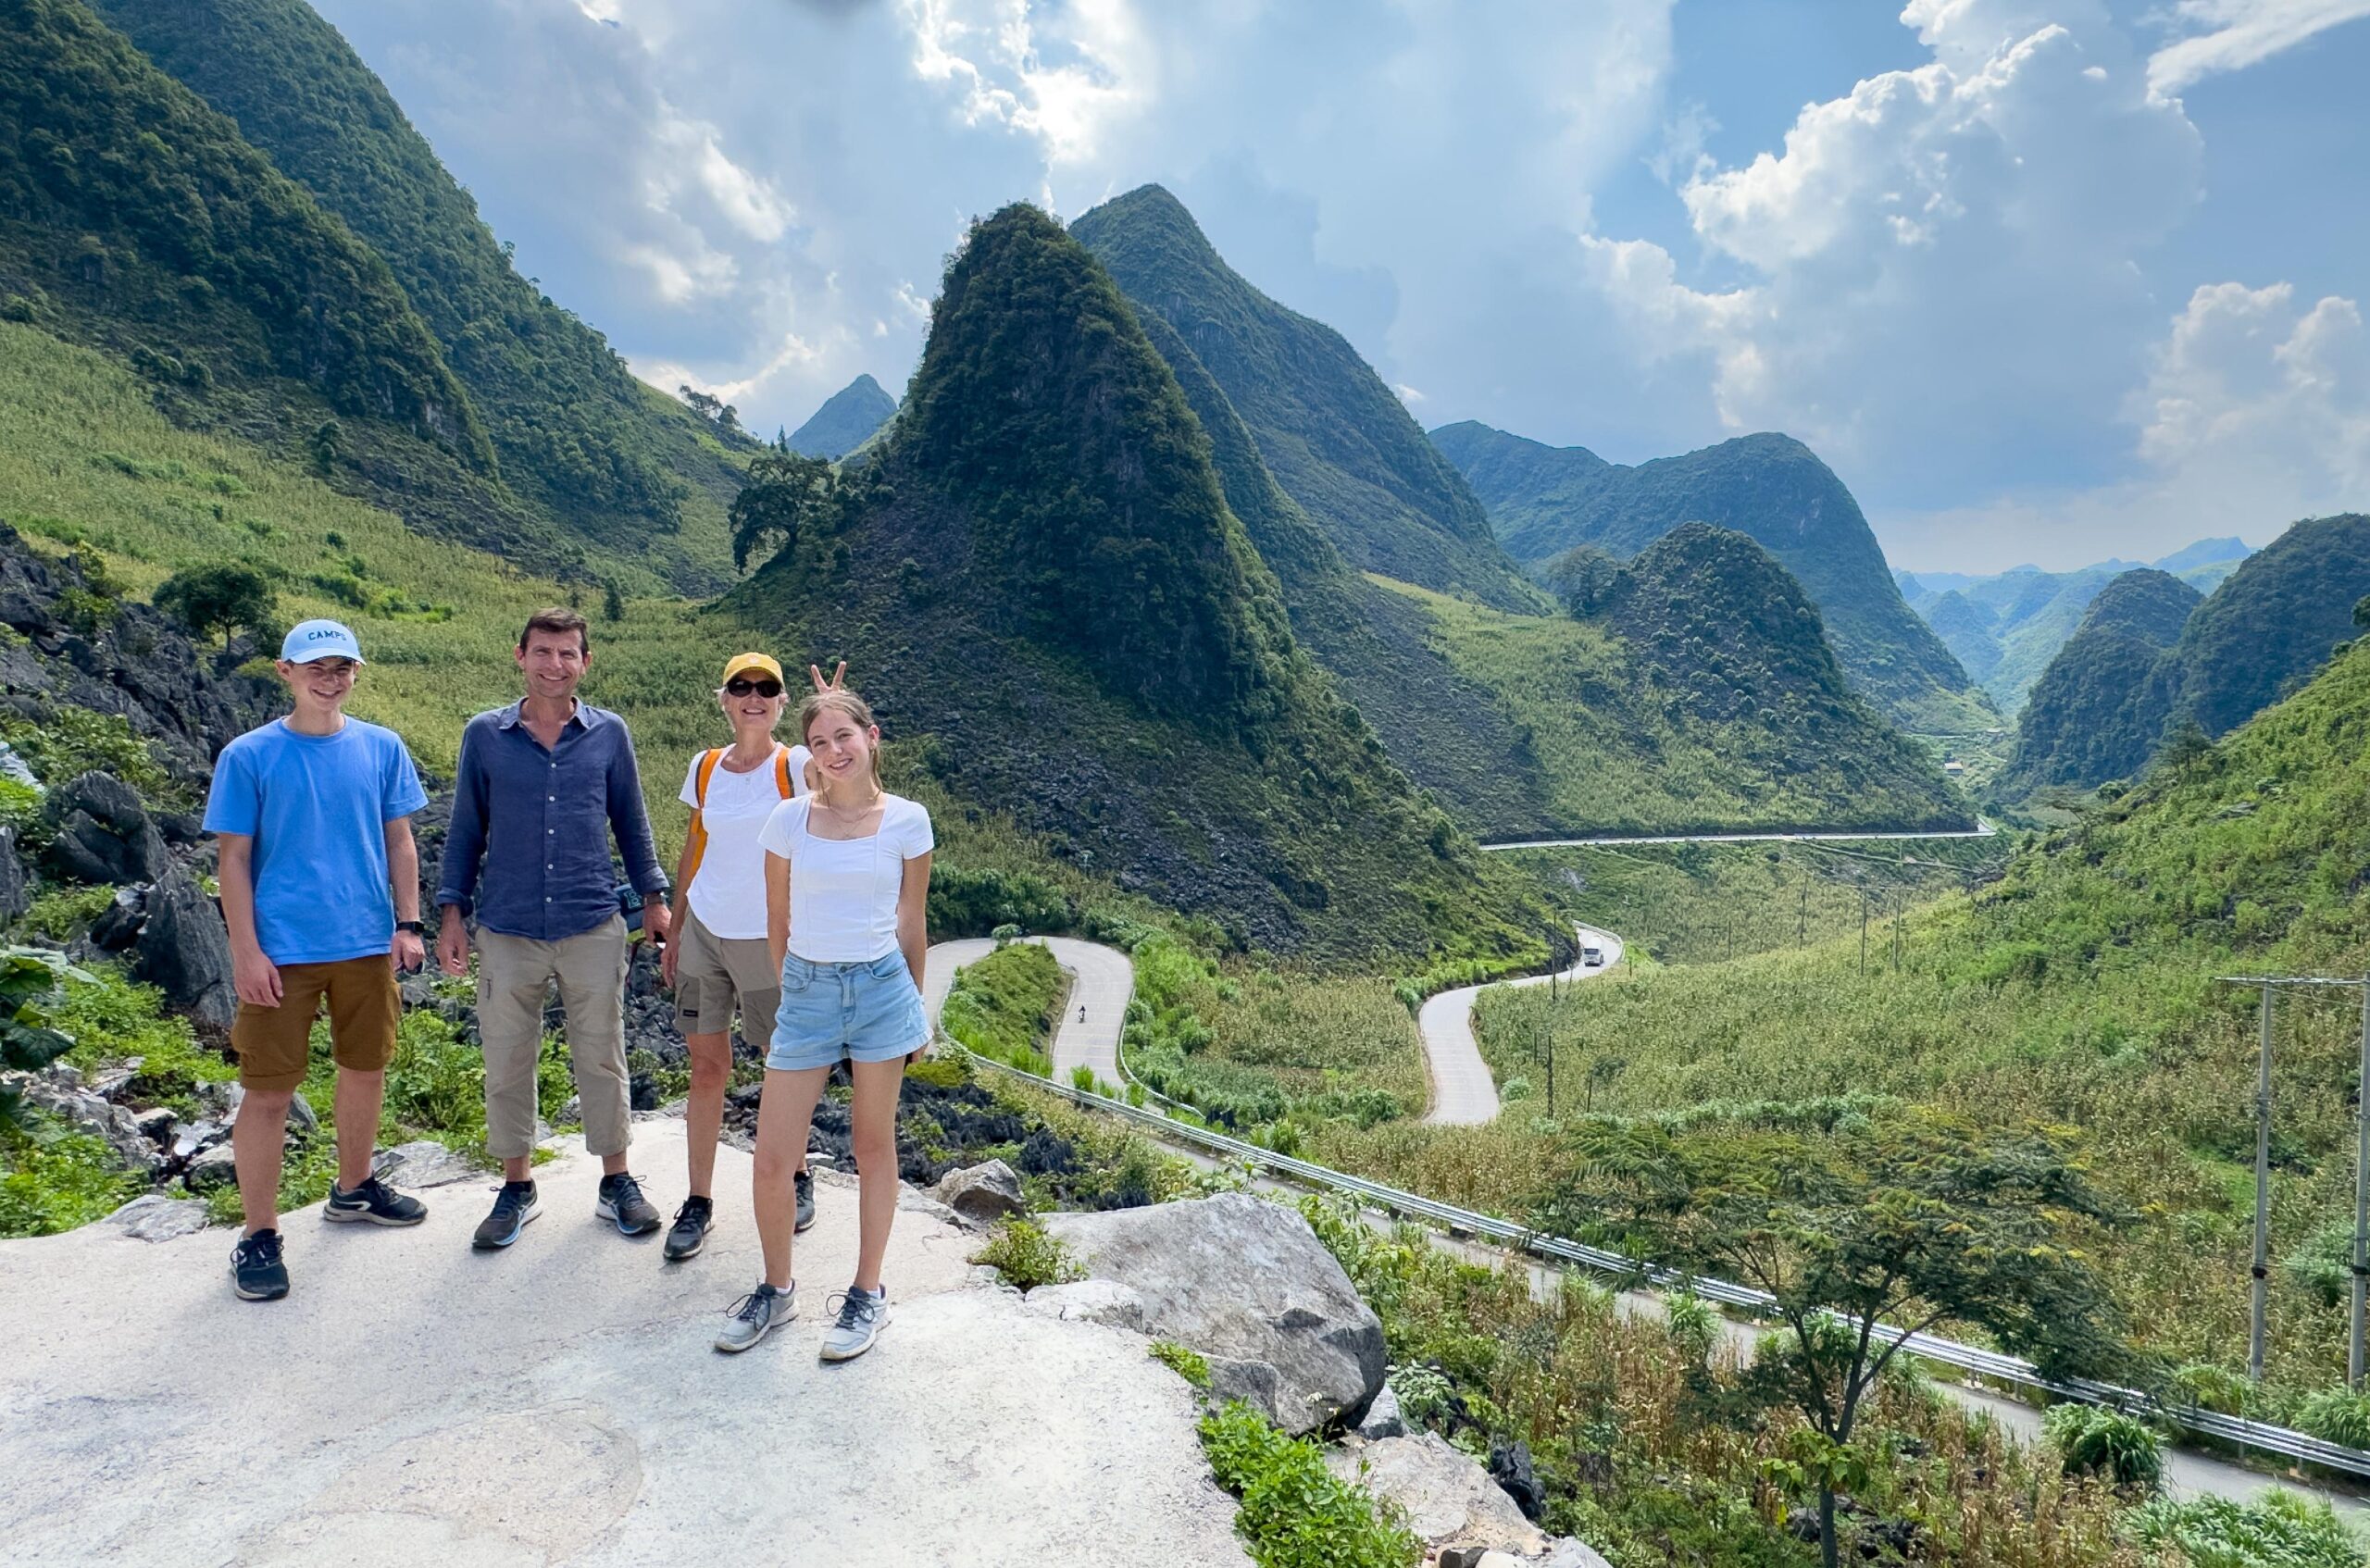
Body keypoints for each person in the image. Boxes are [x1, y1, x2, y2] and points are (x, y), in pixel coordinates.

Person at [205, 619, 430, 1301]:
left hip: (365, 943)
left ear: (356, 673)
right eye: (315, 668)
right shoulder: (250, 756)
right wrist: (245, 950)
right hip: (283, 951)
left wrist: (408, 924)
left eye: (341, 668)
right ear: (286, 672)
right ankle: (259, 1233)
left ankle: (355, 1188)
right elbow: (232, 859)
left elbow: (401, 842)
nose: (328, 680)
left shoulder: (382, 747)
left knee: (365, 1069)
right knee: (270, 1091)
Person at [436, 607, 672, 1250]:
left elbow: (632, 820)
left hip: (591, 919)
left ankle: (615, 1181)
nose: (554, 665)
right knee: (508, 1058)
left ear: (585, 663)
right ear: (520, 656)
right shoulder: (485, 736)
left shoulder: (608, 734)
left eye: (568, 654)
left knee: (602, 1052)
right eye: (543, 652)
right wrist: (451, 913)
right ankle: (516, 1186)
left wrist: (655, 900)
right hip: (507, 925)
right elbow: (466, 828)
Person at [716, 688, 932, 1359]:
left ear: (872, 736)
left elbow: (912, 921)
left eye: (845, 736)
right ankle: (777, 1290)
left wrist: (915, 1012)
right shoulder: (787, 820)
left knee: (873, 1147)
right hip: (808, 988)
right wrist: (796, 985)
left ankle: (868, 1293)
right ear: (808, 755)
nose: (835, 752)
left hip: (881, 990)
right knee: (774, 1157)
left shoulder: (908, 820)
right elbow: (775, 919)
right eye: (819, 743)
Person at [656, 653, 814, 1263]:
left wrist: (832, 713)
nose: (753, 697)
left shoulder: (794, 765)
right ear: (723, 698)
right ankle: (698, 1200)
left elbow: (845, 800)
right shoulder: (705, 767)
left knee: (783, 1061)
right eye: (740, 687)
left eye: (765, 688)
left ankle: (796, 1175)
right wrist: (676, 929)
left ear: (780, 702)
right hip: (706, 930)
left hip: (770, 938)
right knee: (705, 1066)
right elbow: (696, 843)